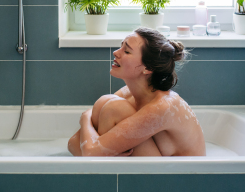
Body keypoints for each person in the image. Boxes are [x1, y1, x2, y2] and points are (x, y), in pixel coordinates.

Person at [68, 27, 206, 157]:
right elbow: (73, 144)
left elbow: (88, 153)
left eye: (126, 51)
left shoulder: (163, 106)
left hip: (179, 179)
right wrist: (101, 152)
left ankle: (108, 160)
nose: (116, 52)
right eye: (121, 46)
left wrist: (85, 117)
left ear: (148, 68)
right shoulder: (128, 93)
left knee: (114, 108)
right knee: (104, 102)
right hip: (157, 172)